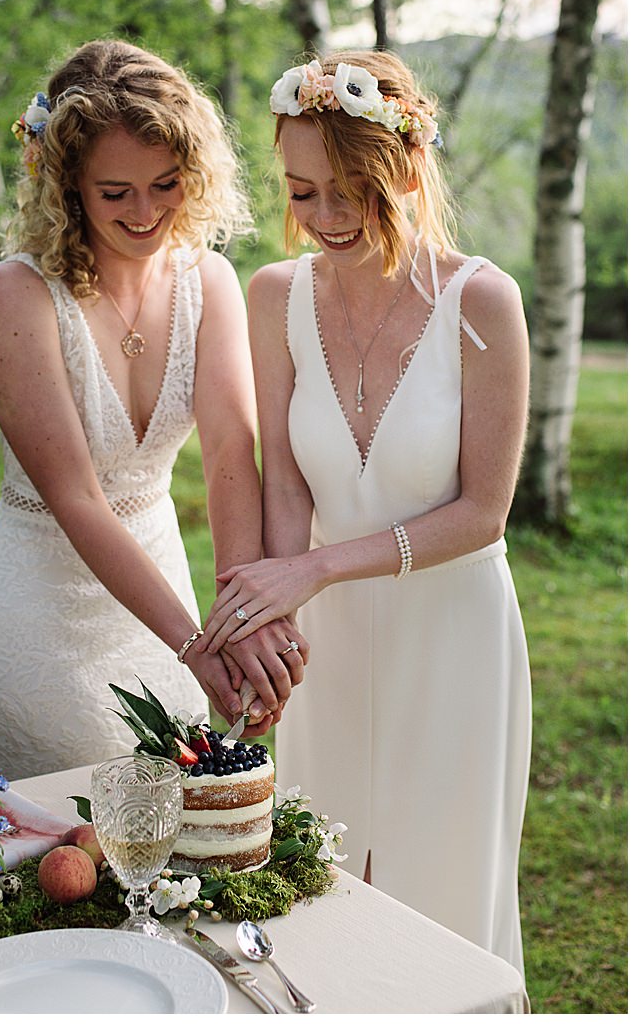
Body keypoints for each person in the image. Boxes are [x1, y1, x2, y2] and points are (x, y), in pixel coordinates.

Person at [195, 51, 532, 974]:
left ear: (407, 172)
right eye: (305, 194)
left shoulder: (482, 303)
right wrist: (275, 622)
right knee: (318, 880)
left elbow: (483, 515)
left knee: (442, 887)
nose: (328, 220)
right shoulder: (276, 296)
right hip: (327, 638)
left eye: (354, 193)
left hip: (452, 634)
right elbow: (285, 485)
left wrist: (311, 569)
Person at [0, 39, 307, 781]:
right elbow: (78, 498)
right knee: (69, 846)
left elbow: (228, 460)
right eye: (115, 192)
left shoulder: (208, 281)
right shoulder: (16, 297)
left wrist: (237, 622)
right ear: (68, 188)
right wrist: (198, 645)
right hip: (40, 612)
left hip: (163, 589)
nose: (146, 212)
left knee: (176, 841)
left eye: (166, 183)